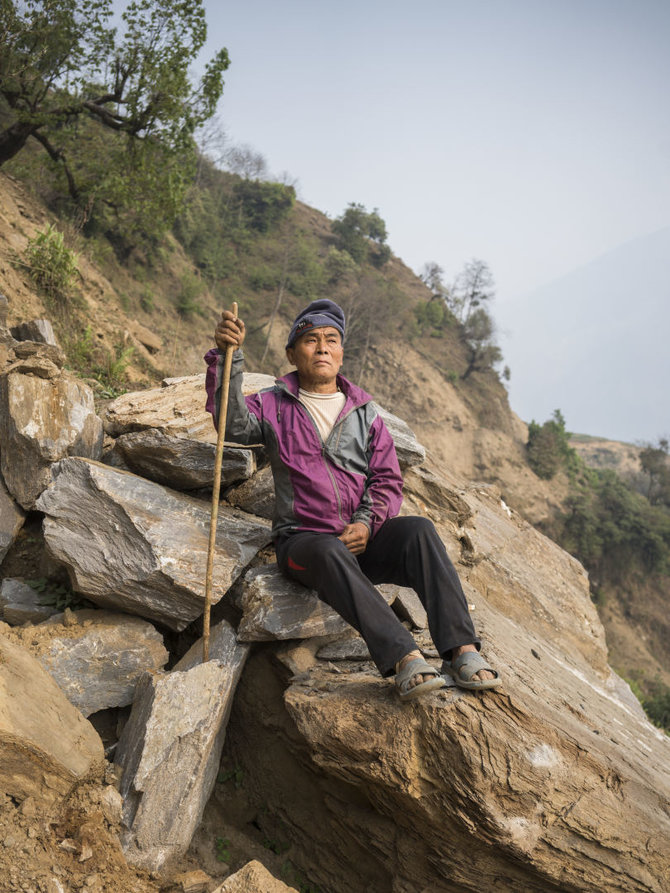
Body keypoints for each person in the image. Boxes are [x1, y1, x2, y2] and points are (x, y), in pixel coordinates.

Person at [205, 299, 501, 699]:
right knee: (327, 550)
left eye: (331, 340)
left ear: (342, 353)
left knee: (419, 531)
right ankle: (404, 657)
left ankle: (460, 649)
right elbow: (233, 423)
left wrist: (366, 523)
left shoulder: (365, 413)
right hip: (304, 545)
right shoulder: (274, 405)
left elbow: (386, 479)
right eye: (310, 340)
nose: (322, 348)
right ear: (292, 354)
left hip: (358, 539)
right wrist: (228, 357)